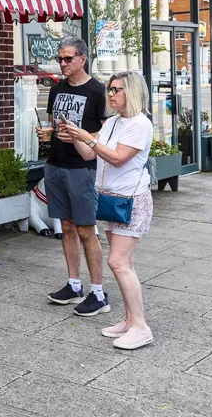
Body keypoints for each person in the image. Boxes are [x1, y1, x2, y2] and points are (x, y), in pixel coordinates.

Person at [60, 71, 155, 350]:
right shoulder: (113, 122)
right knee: (125, 264)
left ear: (132, 93)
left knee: (117, 262)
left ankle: (141, 326)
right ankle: (128, 321)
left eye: (117, 90)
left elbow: (116, 158)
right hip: (112, 200)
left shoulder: (140, 124)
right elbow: (91, 154)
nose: (111, 94)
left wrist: (87, 138)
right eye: (110, 89)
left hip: (131, 201)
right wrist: (75, 135)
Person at [36, 37, 109, 317]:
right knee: (66, 226)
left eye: (68, 59)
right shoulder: (56, 90)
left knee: (86, 230)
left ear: (83, 59)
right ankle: (74, 283)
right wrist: (47, 134)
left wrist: (83, 136)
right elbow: (54, 125)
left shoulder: (97, 91)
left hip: (83, 169)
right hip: (55, 165)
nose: (63, 64)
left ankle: (99, 293)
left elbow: (106, 135)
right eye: (60, 59)